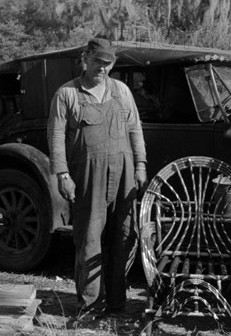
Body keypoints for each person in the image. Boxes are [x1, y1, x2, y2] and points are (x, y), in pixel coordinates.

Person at [47, 38, 147, 317]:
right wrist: (63, 174)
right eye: (98, 62)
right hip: (88, 176)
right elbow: (55, 137)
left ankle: (116, 304)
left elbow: (135, 130)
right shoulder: (66, 94)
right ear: (86, 58)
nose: (103, 69)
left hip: (125, 174)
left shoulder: (122, 91)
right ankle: (90, 306)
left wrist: (140, 165)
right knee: (89, 240)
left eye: (108, 64)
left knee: (122, 239)